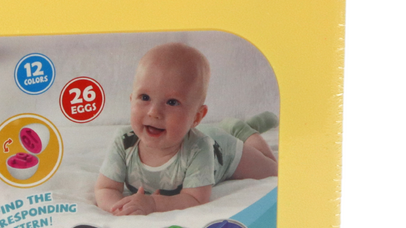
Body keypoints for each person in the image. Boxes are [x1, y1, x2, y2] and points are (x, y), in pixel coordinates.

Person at [95, 43, 278, 216]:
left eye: (172, 102)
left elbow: (195, 198)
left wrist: (153, 204)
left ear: (196, 117)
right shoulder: (123, 142)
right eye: (144, 97)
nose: (154, 112)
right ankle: (231, 126)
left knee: (273, 170)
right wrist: (120, 208)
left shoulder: (200, 147)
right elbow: (106, 188)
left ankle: (243, 131)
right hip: (204, 130)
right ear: (131, 99)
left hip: (224, 150)